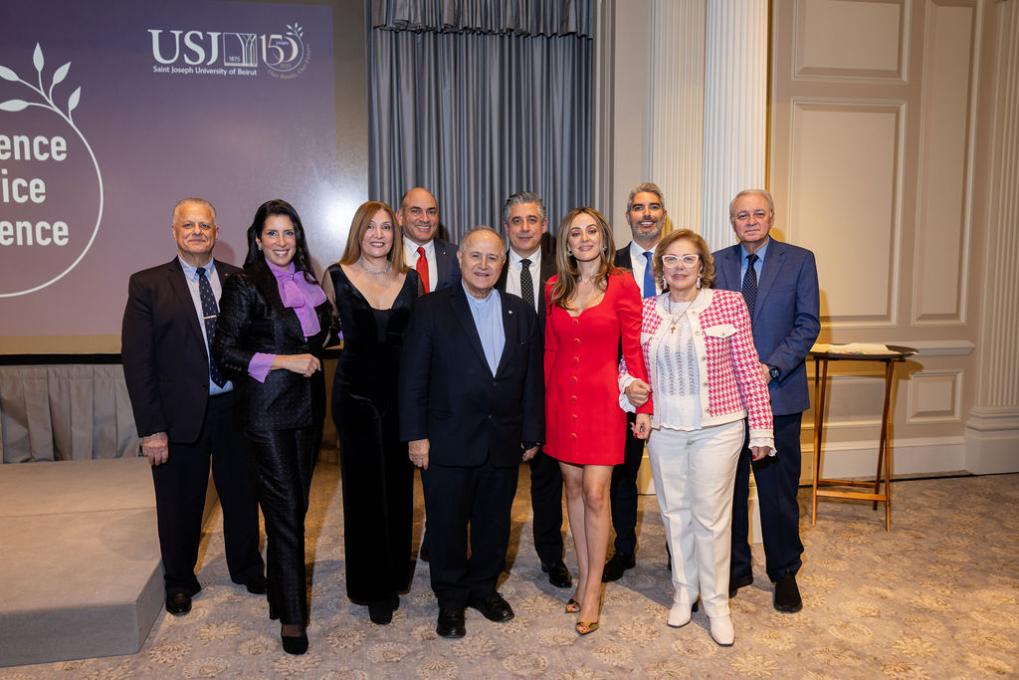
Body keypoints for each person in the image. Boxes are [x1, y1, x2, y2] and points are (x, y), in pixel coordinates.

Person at [623, 229, 774, 647]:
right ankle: (683, 592)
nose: (679, 267)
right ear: (660, 267)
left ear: (702, 265)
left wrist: (761, 428)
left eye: (688, 259)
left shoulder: (728, 303)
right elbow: (629, 367)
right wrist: (631, 389)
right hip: (665, 428)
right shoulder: (647, 310)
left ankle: (717, 604)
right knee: (674, 514)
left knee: (710, 517)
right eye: (670, 259)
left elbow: (749, 370)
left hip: (719, 428)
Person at [121, 197, 265, 618]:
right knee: (179, 504)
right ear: (174, 232)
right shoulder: (147, 285)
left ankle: (247, 567)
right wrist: (151, 428)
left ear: (216, 233)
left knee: (243, 496)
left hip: (234, 409)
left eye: (205, 225)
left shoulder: (240, 279)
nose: (197, 232)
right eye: (189, 225)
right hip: (178, 416)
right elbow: (138, 363)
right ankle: (180, 580)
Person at [400, 227, 543, 639]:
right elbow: (413, 377)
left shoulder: (521, 312)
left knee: (494, 524)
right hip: (446, 440)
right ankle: (450, 598)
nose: (483, 265)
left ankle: (483, 589)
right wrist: (416, 435)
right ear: (460, 259)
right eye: (475, 256)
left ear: (503, 264)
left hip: (502, 440)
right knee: (446, 525)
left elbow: (532, 379)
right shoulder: (431, 309)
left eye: (492, 257)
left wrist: (531, 432)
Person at [213, 199, 333, 655]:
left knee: (296, 509)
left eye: (289, 232)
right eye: (272, 233)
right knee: (285, 512)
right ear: (258, 239)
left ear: (298, 237)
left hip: (307, 410)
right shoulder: (245, 283)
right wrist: (286, 360)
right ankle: (293, 620)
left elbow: (319, 336)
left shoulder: (307, 281)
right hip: (266, 413)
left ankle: (281, 597)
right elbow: (225, 352)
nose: (281, 241)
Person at [544, 207, 652, 636]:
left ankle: (592, 589)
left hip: (603, 402)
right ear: (567, 244)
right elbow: (550, 350)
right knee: (571, 488)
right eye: (576, 233)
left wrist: (644, 406)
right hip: (560, 401)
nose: (585, 238)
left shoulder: (622, 284)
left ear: (604, 239)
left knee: (595, 492)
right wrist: (541, 407)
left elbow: (635, 349)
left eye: (592, 231)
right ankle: (582, 573)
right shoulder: (555, 286)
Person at [713, 189, 820, 613]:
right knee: (730, 488)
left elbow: (807, 324)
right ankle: (736, 568)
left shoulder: (800, 261)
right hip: (727, 398)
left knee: (778, 492)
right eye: (742, 215)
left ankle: (784, 572)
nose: (751, 221)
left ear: (772, 217)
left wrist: (769, 368)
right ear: (733, 222)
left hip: (778, 394)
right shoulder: (716, 263)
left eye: (759, 213)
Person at [326, 201, 420, 625]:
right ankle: (370, 586)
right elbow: (315, 333)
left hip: (400, 399)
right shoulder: (336, 276)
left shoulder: (412, 279)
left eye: (386, 227)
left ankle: (395, 576)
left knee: (399, 490)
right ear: (357, 232)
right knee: (363, 493)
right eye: (370, 227)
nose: (379, 234)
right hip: (355, 399)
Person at [494, 191, 570, 590]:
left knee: (547, 481)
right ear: (506, 227)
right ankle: (491, 559)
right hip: (502, 392)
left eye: (532, 220)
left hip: (551, 390)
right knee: (497, 481)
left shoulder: (566, 269)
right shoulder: (490, 265)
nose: (524, 228)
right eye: (516, 221)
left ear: (544, 225)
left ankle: (551, 556)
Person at [605, 183, 670, 581]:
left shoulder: (682, 259)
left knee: (674, 477)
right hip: (625, 388)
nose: (646, 214)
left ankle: (678, 552)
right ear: (628, 216)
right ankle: (624, 548)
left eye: (654, 207)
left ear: (664, 214)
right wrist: (623, 380)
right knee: (622, 475)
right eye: (638, 208)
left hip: (672, 386)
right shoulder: (608, 264)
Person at [397, 186, 460, 293]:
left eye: (431, 212)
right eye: (416, 211)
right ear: (400, 217)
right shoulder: (387, 255)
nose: (425, 219)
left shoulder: (456, 255)